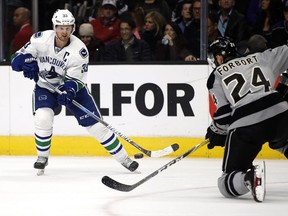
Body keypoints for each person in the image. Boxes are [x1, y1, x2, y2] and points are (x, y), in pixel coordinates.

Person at [10, 9, 139, 174]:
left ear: (73, 28)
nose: (64, 32)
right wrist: (25, 63)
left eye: (68, 28)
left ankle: (125, 160)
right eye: (60, 27)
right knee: (43, 118)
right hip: (45, 87)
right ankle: (42, 157)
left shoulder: (79, 51)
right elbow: (16, 58)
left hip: (74, 90)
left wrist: (68, 91)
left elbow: (76, 80)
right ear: (54, 27)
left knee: (96, 127)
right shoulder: (40, 39)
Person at [205, 36, 288, 202]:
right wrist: (285, 84)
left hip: (246, 123)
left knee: (226, 182)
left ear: (219, 57)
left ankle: (249, 178)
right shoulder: (261, 57)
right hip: (280, 110)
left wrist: (216, 130)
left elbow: (223, 115)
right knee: (282, 142)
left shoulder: (216, 75)